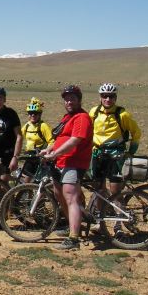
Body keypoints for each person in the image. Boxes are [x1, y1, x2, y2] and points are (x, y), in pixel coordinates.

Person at [40, 85, 93, 250]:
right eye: (67, 99)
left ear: (79, 100)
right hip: (61, 161)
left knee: (71, 197)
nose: (69, 102)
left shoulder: (82, 118)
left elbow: (75, 140)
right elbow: (61, 138)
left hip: (74, 163)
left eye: (73, 99)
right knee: (59, 193)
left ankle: (74, 239)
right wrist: (49, 149)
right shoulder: (68, 117)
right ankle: (73, 225)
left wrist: (55, 153)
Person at [88, 83, 142, 198]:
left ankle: (119, 209)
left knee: (115, 191)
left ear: (115, 98)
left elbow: (136, 133)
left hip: (116, 155)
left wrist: (131, 152)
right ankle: (103, 208)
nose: (108, 99)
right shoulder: (94, 112)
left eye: (111, 96)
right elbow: (88, 131)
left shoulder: (122, 115)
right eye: (104, 96)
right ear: (100, 97)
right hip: (97, 154)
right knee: (98, 189)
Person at [20, 97, 54, 183]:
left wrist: (47, 152)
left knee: (39, 181)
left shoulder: (43, 126)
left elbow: (52, 141)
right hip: (29, 156)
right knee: (25, 180)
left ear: (40, 114)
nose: (33, 115)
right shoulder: (27, 125)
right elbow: (19, 137)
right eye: (30, 113)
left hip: (40, 156)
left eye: (35, 113)